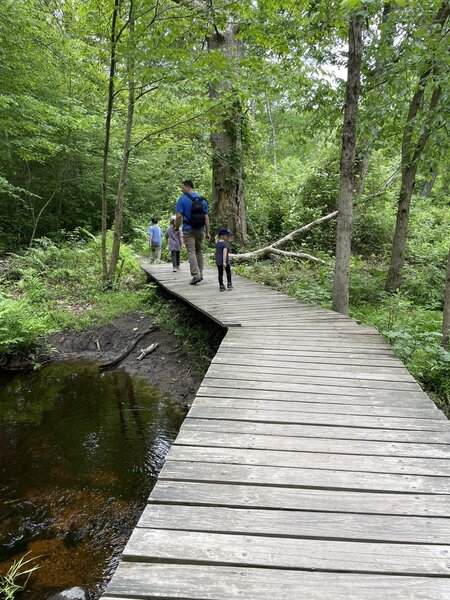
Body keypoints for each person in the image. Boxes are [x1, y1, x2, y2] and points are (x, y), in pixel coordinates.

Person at [175, 180, 210, 285]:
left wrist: (177, 227)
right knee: (199, 251)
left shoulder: (182, 199)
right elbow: (206, 217)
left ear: (187, 187)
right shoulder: (201, 199)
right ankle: (201, 273)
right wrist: (208, 232)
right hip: (200, 229)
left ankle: (195, 275)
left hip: (188, 229)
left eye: (182, 187)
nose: (181, 189)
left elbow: (179, 216)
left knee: (191, 251)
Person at [215, 227, 233, 291]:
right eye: (227, 236)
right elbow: (224, 253)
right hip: (225, 261)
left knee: (220, 273)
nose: (229, 237)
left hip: (218, 262)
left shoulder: (217, 243)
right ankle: (229, 284)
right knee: (228, 272)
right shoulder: (225, 244)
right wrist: (224, 262)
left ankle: (221, 286)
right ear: (222, 236)